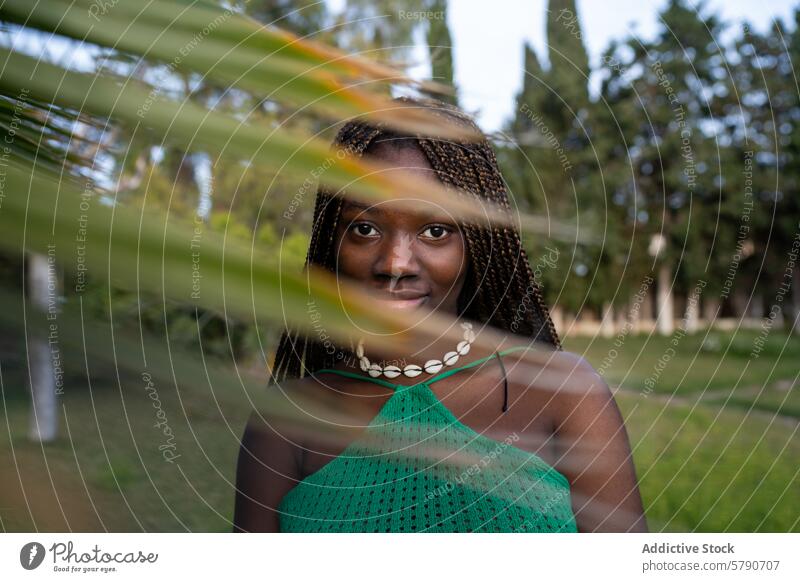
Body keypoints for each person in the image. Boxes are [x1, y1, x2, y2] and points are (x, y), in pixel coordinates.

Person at [233, 97, 647, 533]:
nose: (395, 263)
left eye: (435, 231)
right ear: (331, 244)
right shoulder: (286, 419)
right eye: (364, 228)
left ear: (478, 244)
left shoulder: (563, 394)